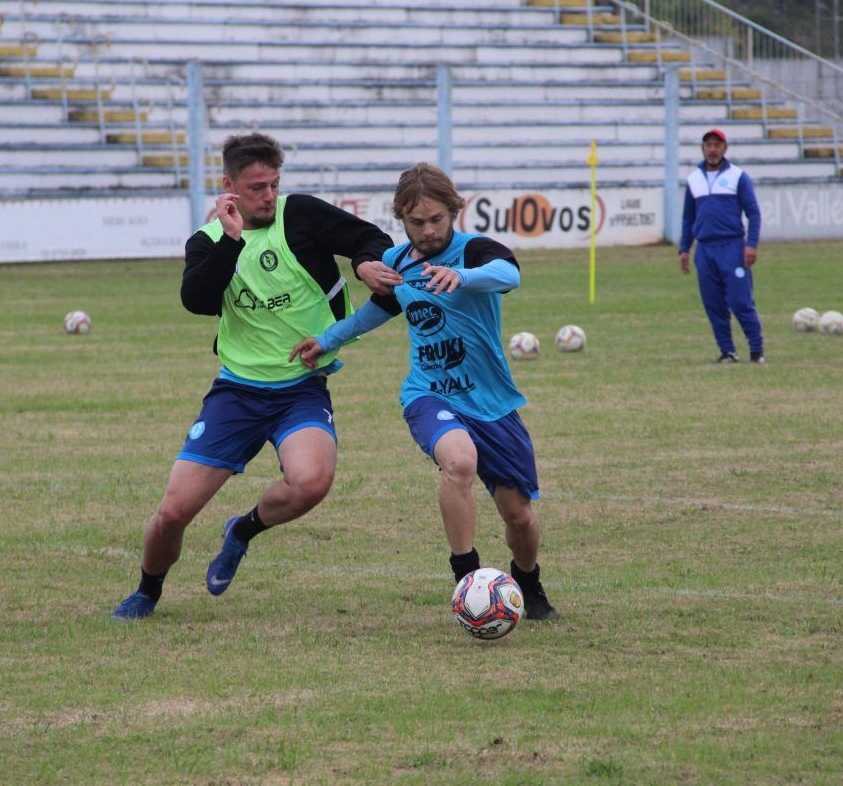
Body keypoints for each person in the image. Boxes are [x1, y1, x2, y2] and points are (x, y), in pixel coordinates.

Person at [111, 132, 400, 620]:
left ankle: (241, 531)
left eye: (274, 184)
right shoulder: (206, 242)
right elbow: (197, 300)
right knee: (173, 513)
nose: (268, 196)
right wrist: (230, 241)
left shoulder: (302, 215)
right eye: (256, 187)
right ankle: (147, 590)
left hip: (301, 389)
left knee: (312, 482)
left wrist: (368, 262)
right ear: (228, 186)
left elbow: (370, 237)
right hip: (237, 394)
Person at [291, 163, 557, 621]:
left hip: (491, 402)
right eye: (416, 222)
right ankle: (467, 582)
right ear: (402, 220)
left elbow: (509, 274)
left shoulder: (473, 251)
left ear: (455, 211)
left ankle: (528, 582)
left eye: (436, 219)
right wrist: (329, 339)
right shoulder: (397, 262)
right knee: (459, 463)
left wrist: (464, 277)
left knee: (520, 517)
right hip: (429, 392)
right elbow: (376, 311)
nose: (428, 230)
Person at [679, 128, 765, 364]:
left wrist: (751, 244)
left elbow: (753, 212)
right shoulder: (694, 179)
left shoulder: (738, 177)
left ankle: (756, 349)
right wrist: (684, 249)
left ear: (725, 148)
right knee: (713, 303)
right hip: (705, 250)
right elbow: (688, 217)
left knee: (740, 301)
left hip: (732, 247)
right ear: (703, 148)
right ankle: (727, 351)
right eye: (708, 145)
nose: (712, 150)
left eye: (717, 145)